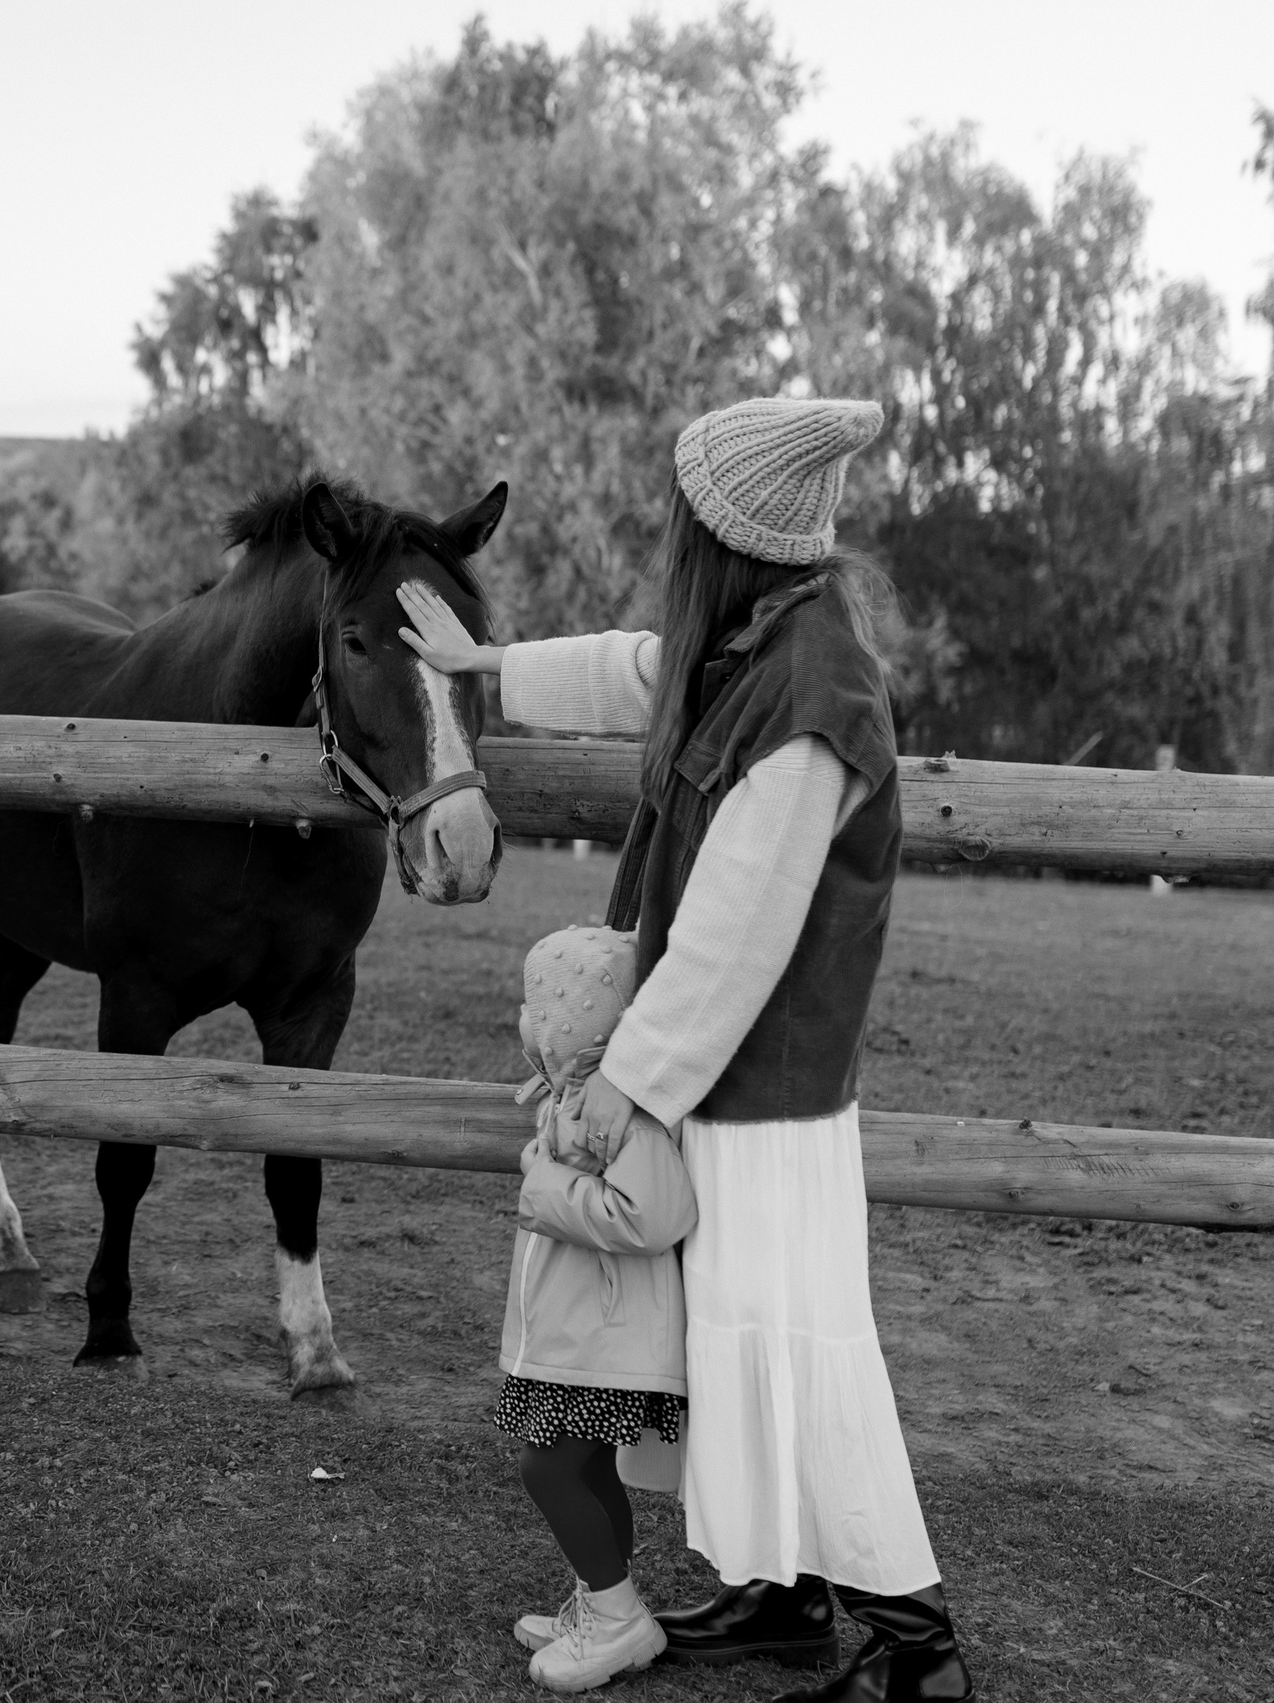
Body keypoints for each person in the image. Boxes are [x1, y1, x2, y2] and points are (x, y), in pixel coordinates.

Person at [400, 398, 973, 1703]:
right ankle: (783, 1597)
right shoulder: (766, 634)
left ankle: (917, 1649)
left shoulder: (814, 695)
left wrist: (623, 1080)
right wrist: (487, 664)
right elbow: (641, 666)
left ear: (729, 535)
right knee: (738, 1341)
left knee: (796, 1345)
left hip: (767, 1096)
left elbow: (731, 935)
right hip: (734, 1086)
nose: (671, 530)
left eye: (686, 512)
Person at [498, 925, 697, 1693]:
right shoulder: (573, 1096)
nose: (529, 1021)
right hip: (582, 1333)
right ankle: (600, 1595)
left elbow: (656, 1214)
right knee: (586, 1465)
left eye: (541, 1008)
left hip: (610, 1339)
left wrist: (549, 1190)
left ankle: (619, 1620)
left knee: (547, 1468)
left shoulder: (625, 1114)